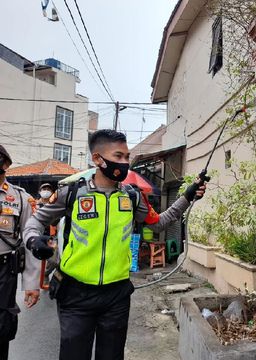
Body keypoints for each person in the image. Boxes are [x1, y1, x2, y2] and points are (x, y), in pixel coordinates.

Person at [24, 129, 206, 360]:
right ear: (98, 159)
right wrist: (33, 240)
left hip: (116, 295)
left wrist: (188, 196)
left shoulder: (132, 196)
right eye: (118, 156)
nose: (125, 162)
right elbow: (36, 220)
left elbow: (159, 223)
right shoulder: (72, 193)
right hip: (75, 293)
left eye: (127, 157)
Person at [0, 145, 41, 359]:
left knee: (2, 325)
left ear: (5, 165)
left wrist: (32, 284)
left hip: (4, 271)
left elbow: (29, 240)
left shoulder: (20, 198)